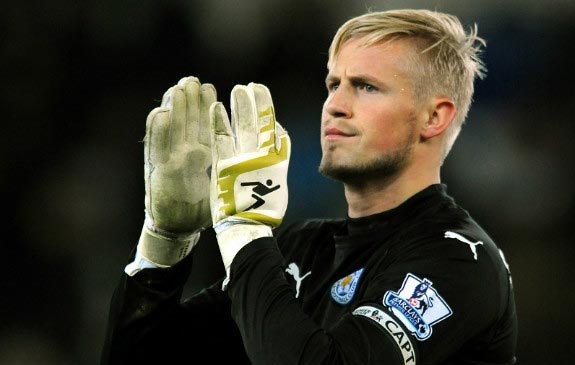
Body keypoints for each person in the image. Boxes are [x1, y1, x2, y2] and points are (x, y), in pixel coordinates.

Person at [102, 8, 517, 365]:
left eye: (366, 87)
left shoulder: (460, 261)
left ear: (433, 118)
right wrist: (163, 245)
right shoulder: (301, 247)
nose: (335, 104)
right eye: (333, 84)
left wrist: (243, 229)